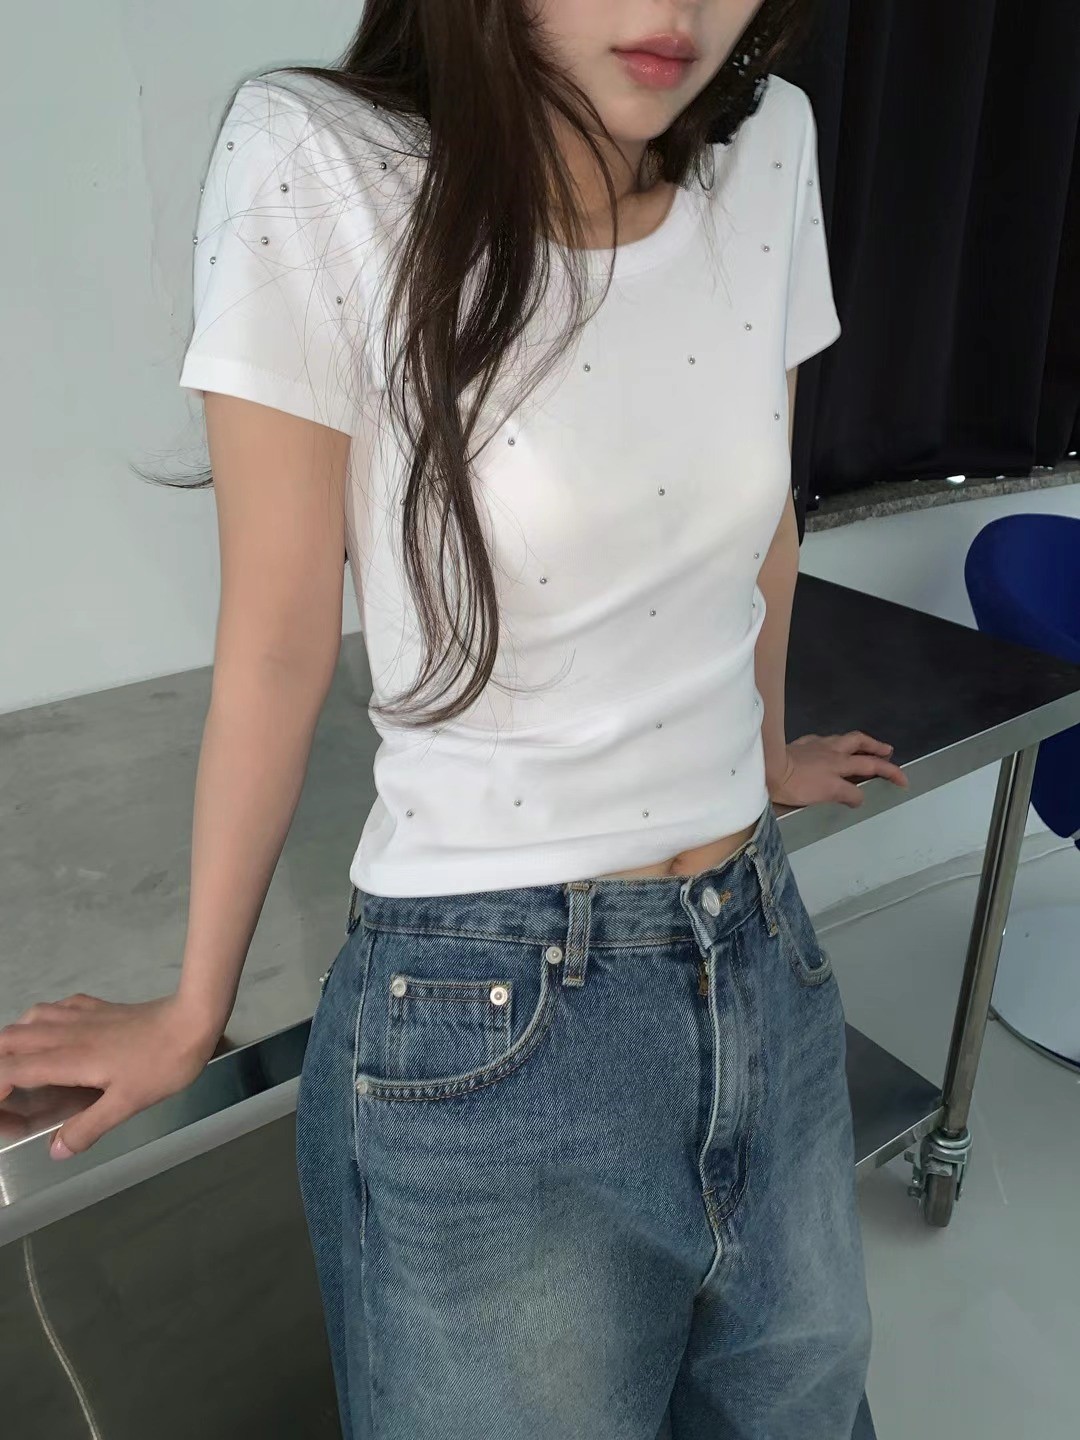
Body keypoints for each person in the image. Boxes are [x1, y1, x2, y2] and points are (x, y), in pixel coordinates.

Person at [0, 3, 908, 1436]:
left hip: (760, 952)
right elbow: (279, 639)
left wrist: (760, 750)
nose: (677, 12)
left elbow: (763, 528)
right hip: (490, 1016)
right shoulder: (322, 158)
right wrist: (192, 1007)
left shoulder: (767, 146)